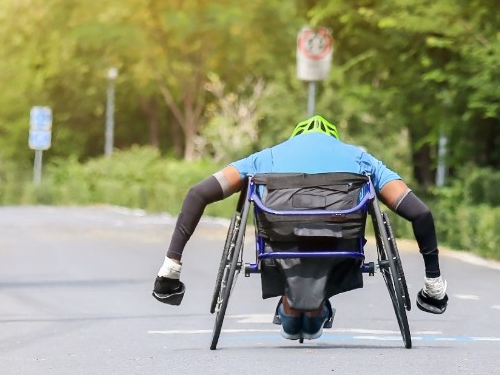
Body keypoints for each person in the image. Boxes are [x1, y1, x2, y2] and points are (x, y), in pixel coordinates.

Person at [150, 115, 449, 340]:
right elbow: (420, 214)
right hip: (341, 245)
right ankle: (315, 306)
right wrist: (433, 283)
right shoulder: (362, 160)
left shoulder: (263, 158)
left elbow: (197, 194)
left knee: (294, 320)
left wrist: (170, 267)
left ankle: (290, 307)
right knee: (311, 305)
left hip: (280, 241)